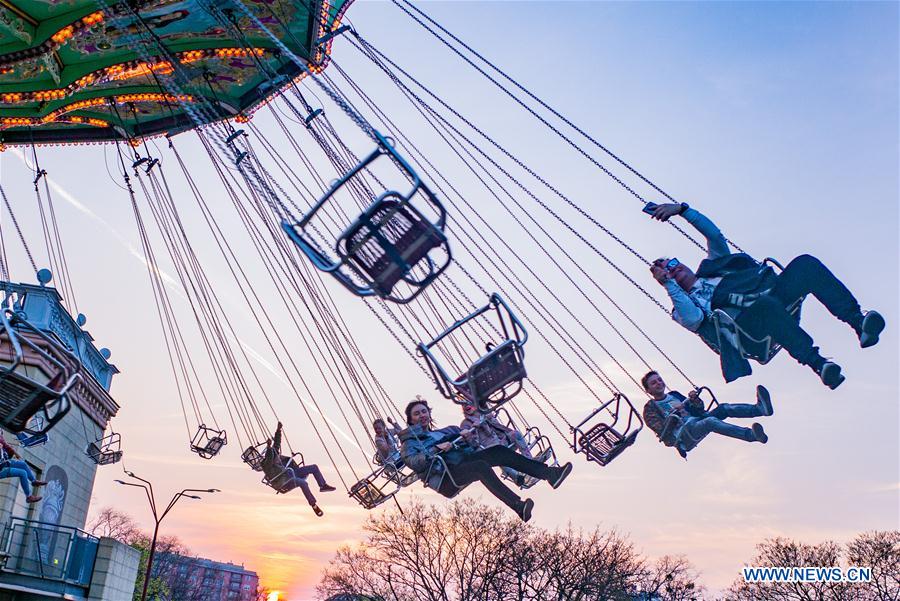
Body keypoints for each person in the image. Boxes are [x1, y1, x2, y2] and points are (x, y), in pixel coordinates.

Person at [646, 202, 884, 389]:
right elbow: (694, 319)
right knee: (765, 306)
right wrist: (668, 285)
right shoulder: (681, 308)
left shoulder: (712, 268)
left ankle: (858, 322)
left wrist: (682, 210)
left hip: (771, 294)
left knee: (805, 264)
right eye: (667, 270)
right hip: (748, 330)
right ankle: (818, 364)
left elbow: (715, 236)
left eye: (673, 262)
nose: (673, 268)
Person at [399, 397, 572, 522]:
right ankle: (518, 506)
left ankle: (550, 474)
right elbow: (414, 462)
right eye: (416, 414)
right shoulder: (410, 442)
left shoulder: (447, 430)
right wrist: (436, 449)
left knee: (498, 451)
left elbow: (470, 447)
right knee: (481, 467)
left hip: (462, 461)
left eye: (424, 411)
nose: (422, 415)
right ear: (410, 419)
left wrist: (467, 438)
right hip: (446, 476)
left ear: (429, 413)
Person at [640, 371, 772, 458]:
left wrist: (694, 399)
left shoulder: (673, 394)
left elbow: (698, 409)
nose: (658, 383)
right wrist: (676, 415)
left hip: (696, 420)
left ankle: (760, 409)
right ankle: (751, 435)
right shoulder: (650, 409)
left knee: (723, 408)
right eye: (653, 383)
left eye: (659, 380)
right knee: (710, 422)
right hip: (684, 434)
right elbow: (663, 432)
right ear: (648, 390)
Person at [262, 422, 336, 517]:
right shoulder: (267, 464)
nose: (278, 457)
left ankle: (323, 485)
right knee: (303, 483)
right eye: (275, 456)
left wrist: (278, 430)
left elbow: (277, 443)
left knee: (314, 467)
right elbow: (269, 457)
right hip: (285, 480)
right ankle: (313, 505)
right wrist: (268, 447)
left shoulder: (274, 454)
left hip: (292, 472)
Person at [459, 402, 535, 486]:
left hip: (500, 440)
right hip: (487, 448)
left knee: (516, 434)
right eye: (463, 405)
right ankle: (516, 476)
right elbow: (473, 444)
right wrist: (474, 430)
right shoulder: (465, 424)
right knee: (497, 453)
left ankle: (529, 460)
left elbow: (498, 427)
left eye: (468, 404)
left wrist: (490, 418)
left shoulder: (484, 414)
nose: (466, 406)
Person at [0, 432, 46, 504]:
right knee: (22, 473)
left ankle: (34, 481)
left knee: (23, 464)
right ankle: (29, 497)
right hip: (1, 469)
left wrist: (15, 453)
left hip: (4, 462)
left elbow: (5, 444)